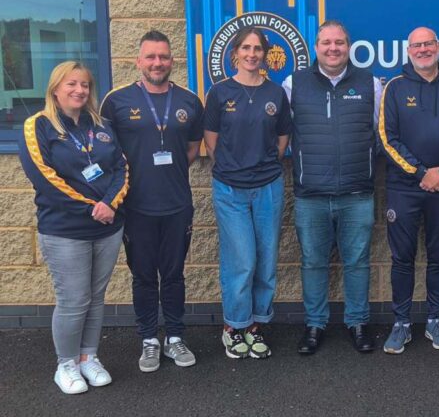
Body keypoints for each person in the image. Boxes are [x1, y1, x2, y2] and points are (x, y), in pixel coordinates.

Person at [19, 61, 129, 394]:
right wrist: (93, 208)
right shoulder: (38, 126)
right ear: (55, 89)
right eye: (71, 84)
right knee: (73, 300)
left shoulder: (102, 125)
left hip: (107, 227)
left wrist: (109, 204)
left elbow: (121, 168)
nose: (79, 90)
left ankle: (88, 357)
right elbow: (45, 178)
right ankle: (65, 364)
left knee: (95, 298)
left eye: (84, 85)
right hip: (65, 230)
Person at [101, 30, 202, 372]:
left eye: (163, 56)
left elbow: (192, 149)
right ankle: (148, 340)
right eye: (151, 57)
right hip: (136, 206)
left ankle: (174, 337)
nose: (157, 63)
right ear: (138, 61)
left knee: (173, 275)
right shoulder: (116, 101)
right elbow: (106, 152)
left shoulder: (189, 101)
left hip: (177, 205)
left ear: (172, 60)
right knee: (143, 276)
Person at [282, 20, 382, 354]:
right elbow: (283, 133)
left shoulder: (370, 84)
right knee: (313, 262)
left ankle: (358, 323)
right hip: (310, 194)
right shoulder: (293, 84)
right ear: (316, 47)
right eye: (326, 42)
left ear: (348, 46)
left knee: (358, 261)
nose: (333, 48)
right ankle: (314, 324)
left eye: (339, 42)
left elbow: (380, 133)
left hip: (357, 193)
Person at [203, 26, 291, 359]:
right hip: (230, 189)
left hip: (268, 186)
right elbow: (211, 140)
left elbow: (282, 139)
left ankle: (256, 326)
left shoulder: (275, 93)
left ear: (265, 55)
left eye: (258, 49)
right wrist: (234, 165)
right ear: (235, 53)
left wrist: (262, 163)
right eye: (246, 48)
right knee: (241, 259)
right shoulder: (219, 92)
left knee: (266, 260)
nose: (252, 54)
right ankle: (234, 326)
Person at [378, 26, 439, 354]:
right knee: (402, 257)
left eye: (429, 44)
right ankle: (401, 322)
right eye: (417, 45)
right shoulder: (394, 87)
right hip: (404, 187)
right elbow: (387, 138)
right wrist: (419, 172)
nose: (423, 50)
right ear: (409, 50)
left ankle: (435, 319)